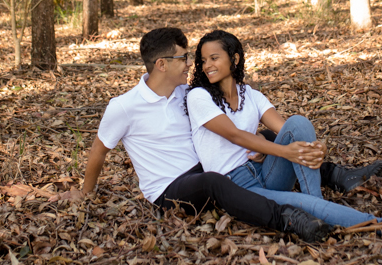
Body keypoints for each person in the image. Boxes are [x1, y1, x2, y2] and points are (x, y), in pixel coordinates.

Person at [66, 27, 332, 242]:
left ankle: (332, 172)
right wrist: (86, 192)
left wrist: (261, 140)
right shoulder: (124, 107)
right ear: (161, 64)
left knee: (269, 136)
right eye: (183, 58)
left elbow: (233, 122)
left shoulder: (187, 93)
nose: (190, 64)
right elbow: (99, 149)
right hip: (171, 189)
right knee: (213, 182)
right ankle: (286, 218)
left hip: (206, 166)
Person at [186, 29, 382, 239]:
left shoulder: (251, 95)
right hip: (238, 185)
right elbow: (235, 136)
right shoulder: (198, 96)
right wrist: (284, 151)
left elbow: (286, 129)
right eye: (204, 60)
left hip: (264, 172)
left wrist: (318, 147)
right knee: (308, 203)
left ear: (234, 59)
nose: (207, 65)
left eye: (214, 58)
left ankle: (315, 201)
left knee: (299, 122)